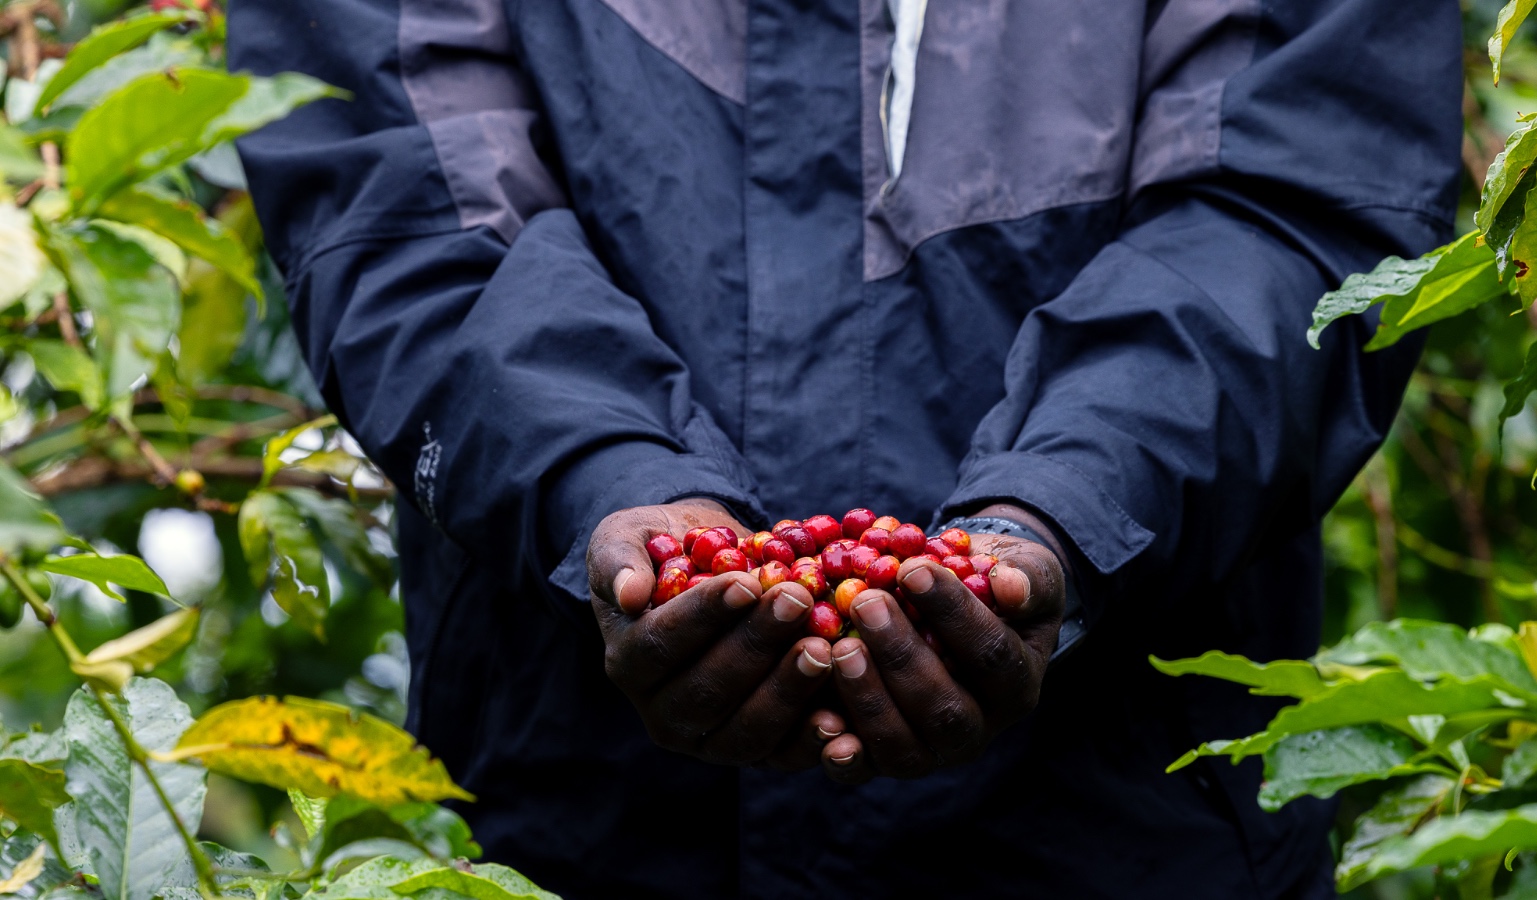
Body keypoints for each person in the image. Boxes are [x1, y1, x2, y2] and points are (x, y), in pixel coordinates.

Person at [229, 0, 1461, 896]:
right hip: (577, 830)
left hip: (1123, 832)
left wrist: (1065, 512)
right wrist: (615, 490)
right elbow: (404, 199)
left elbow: (1292, 197)